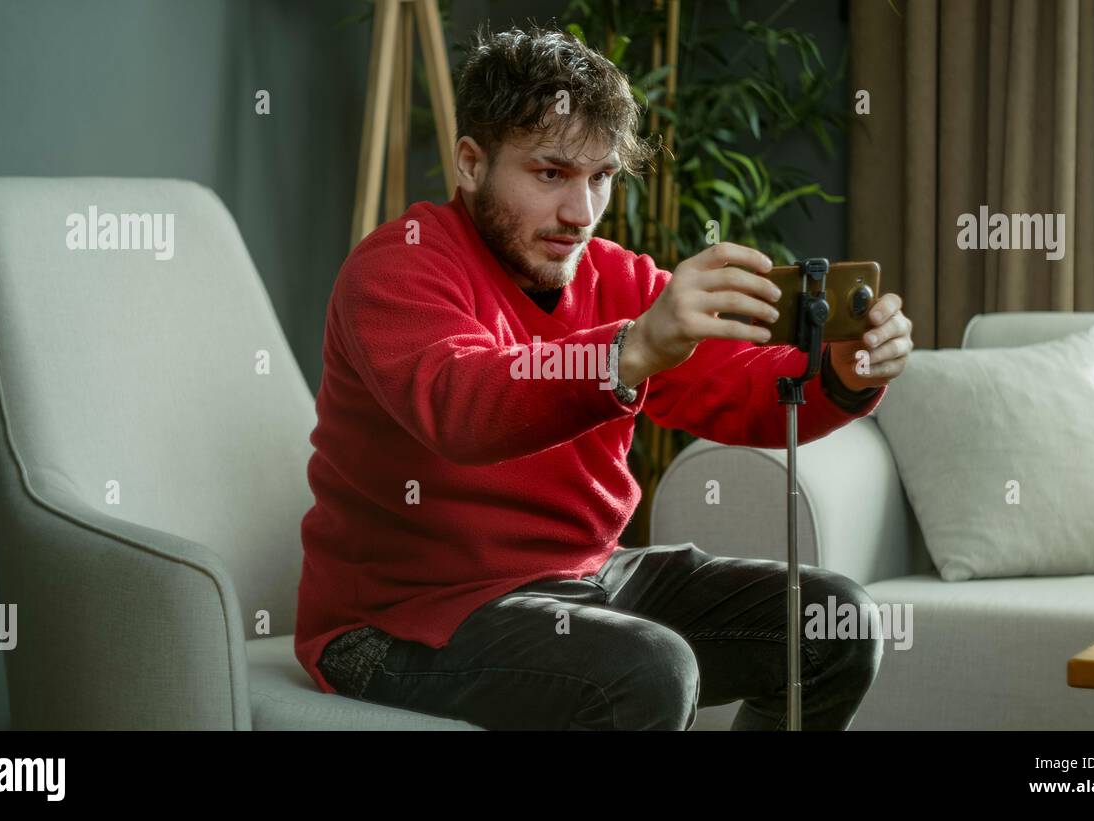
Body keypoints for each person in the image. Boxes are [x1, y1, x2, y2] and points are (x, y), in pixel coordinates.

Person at [296, 24, 914, 730]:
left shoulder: (615, 276)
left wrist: (843, 374)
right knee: (651, 670)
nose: (580, 214)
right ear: (470, 163)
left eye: (601, 178)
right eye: (551, 173)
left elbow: (741, 387)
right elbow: (461, 404)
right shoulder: (397, 268)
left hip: (583, 580)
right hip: (396, 621)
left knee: (836, 624)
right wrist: (628, 352)